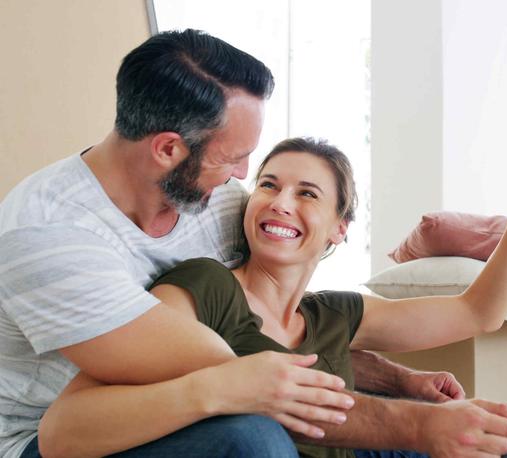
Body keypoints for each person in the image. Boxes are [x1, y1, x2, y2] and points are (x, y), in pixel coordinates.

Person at [0, 29, 468, 458]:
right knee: (255, 435)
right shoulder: (47, 235)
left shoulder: (217, 199)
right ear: (168, 149)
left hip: (196, 397)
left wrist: (398, 381)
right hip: (55, 437)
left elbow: (266, 334)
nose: (244, 177)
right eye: (234, 158)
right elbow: (248, 372)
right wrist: (416, 424)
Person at [36, 138, 507, 457]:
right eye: (268, 184)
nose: (279, 201)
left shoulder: (335, 314)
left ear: (340, 227)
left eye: (307, 193)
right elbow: (69, 425)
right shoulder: (205, 289)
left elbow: (477, 311)